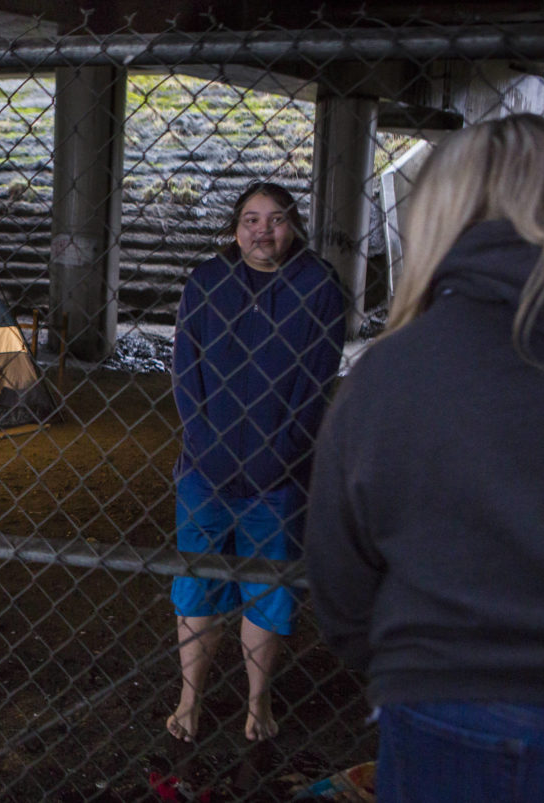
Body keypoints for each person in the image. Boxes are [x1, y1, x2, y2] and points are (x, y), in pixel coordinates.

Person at [305, 113, 544, 802]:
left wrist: (415, 661)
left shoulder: (393, 373)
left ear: (439, 218)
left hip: (452, 702)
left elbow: (340, 583)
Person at [168, 181, 345, 743]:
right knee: (198, 588)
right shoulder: (207, 282)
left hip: (279, 478)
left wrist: (283, 454)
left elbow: (317, 381)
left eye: (274, 219)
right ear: (235, 226)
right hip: (205, 473)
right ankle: (189, 701)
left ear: (294, 226)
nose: (261, 230)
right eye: (250, 218)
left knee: (267, 593)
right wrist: (203, 446)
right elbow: (184, 372)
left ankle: (257, 703)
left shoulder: (318, 286)